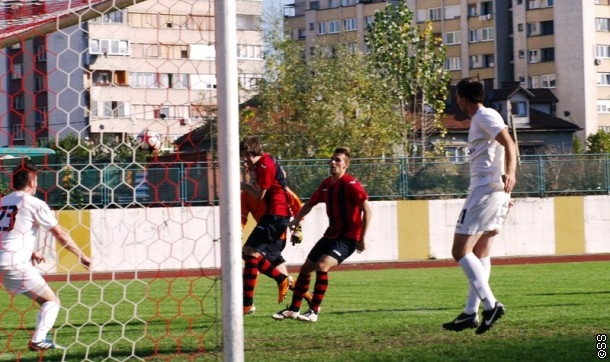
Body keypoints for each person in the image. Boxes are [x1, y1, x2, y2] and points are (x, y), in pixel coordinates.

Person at [442, 77, 517, 335]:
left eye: (457, 97)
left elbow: (510, 143)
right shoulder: (484, 118)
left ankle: (491, 304)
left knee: (460, 251)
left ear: (462, 98)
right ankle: (469, 313)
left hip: (485, 190)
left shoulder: (484, 116)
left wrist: (510, 173)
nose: (456, 102)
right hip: (493, 191)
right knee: (481, 252)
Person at [0, 160, 92, 351]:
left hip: (5, 262)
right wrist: (81, 255)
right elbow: (60, 234)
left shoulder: (3, 202)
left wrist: (31, 251)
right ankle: (38, 340)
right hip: (14, 263)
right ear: (33, 182)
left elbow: (7, 232)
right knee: (51, 301)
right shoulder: (35, 204)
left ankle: (40, 338)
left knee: (45, 300)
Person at [272, 147, 372, 323]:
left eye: (338, 160)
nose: (333, 163)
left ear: (346, 165)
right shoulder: (326, 185)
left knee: (322, 266)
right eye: (332, 160)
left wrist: (362, 238)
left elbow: (367, 209)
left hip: (348, 238)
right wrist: (296, 220)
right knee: (305, 269)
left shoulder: (351, 185)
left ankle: (314, 310)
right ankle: (294, 309)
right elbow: (309, 204)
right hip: (330, 235)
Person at [240, 168, 312, 314]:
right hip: (263, 236)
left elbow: (298, 209)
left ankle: (248, 303)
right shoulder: (247, 194)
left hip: (276, 236)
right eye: (254, 172)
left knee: (250, 255)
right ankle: (311, 298)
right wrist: (238, 231)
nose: (255, 174)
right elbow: (242, 217)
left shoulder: (281, 191)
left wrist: (297, 230)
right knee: (254, 261)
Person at [240, 137, 292, 315]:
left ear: (252, 152)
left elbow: (259, 195)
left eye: (245, 156)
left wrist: (241, 185)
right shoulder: (266, 161)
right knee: (248, 253)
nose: (244, 160)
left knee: (250, 252)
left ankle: (280, 280)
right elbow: (281, 175)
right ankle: (247, 304)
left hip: (276, 215)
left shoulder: (264, 165)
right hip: (274, 215)